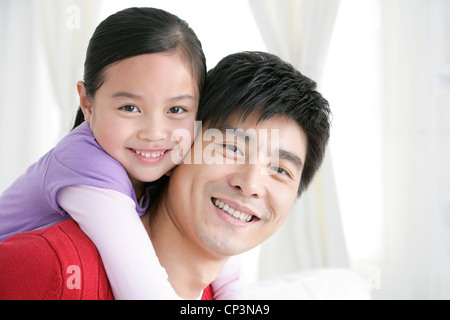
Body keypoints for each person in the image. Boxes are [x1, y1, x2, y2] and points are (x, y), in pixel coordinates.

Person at [0, 51, 332, 300]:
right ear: (177, 147)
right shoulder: (49, 268)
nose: (251, 184)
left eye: (280, 170)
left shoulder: (214, 293)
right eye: (231, 148)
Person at [0, 7, 242, 299]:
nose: (154, 133)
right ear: (88, 103)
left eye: (176, 110)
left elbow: (228, 276)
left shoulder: (173, 160)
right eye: (130, 108)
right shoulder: (88, 166)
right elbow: (145, 291)